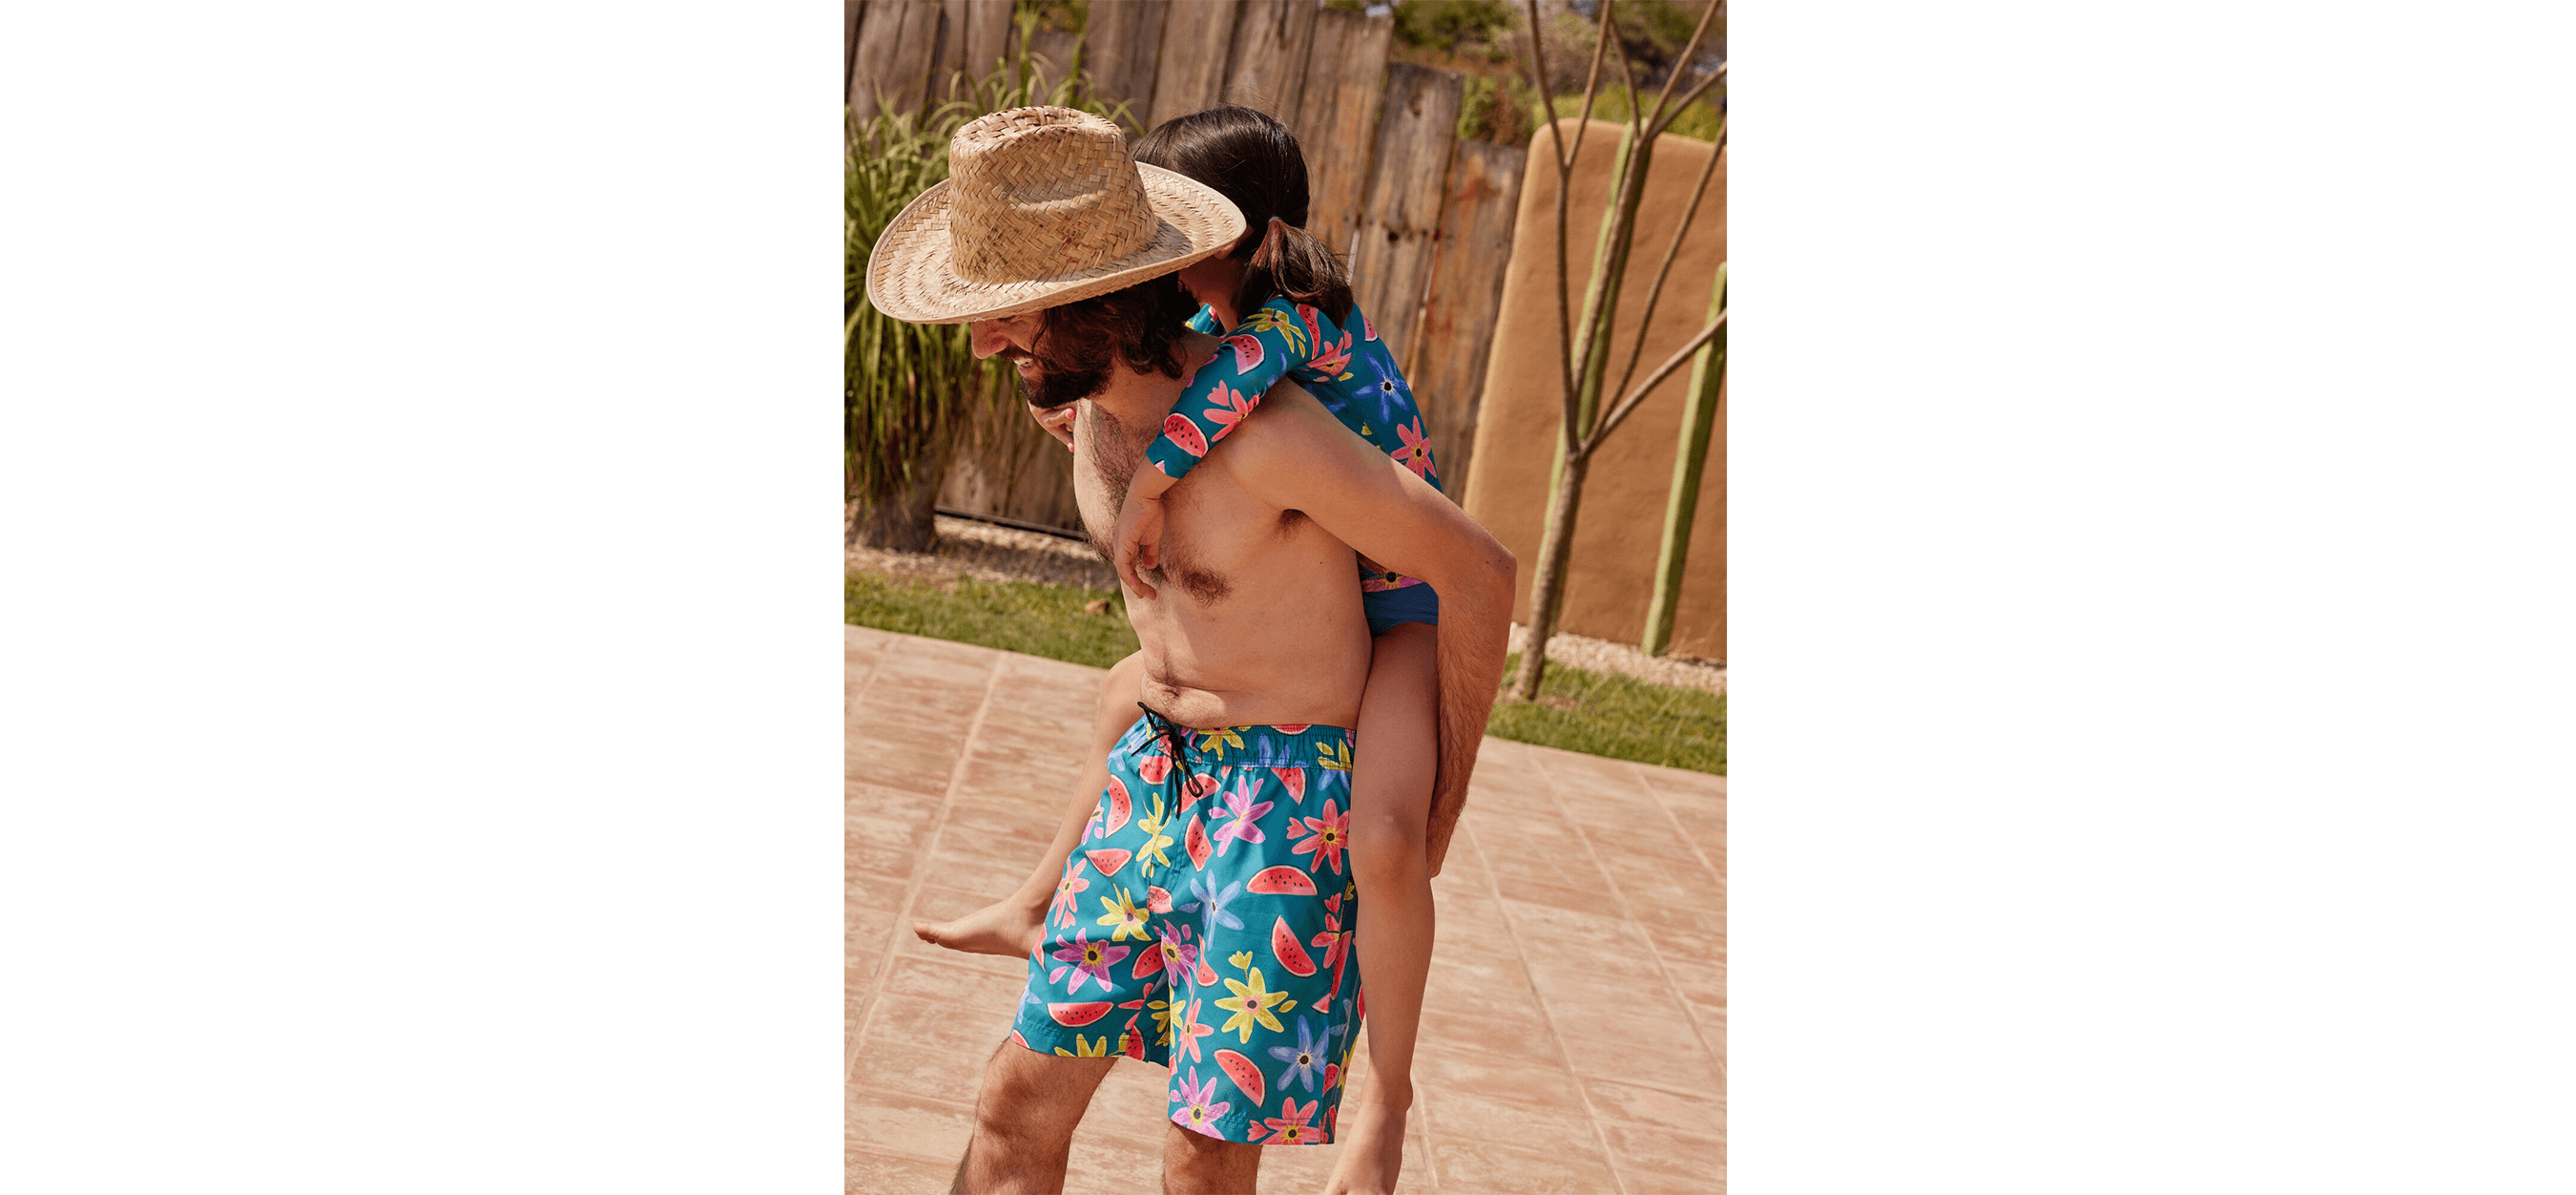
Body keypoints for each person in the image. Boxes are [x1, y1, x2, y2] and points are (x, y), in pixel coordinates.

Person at [867, 106, 1513, 1194]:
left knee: (1199, 1161)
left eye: (1005, 313)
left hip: (1286, 804)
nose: (982, 342)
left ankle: (1386, 1105)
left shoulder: (1276, 436)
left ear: (1095, 302)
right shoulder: (1084, 415)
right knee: (1012, 1103)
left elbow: (1480, 574)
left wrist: (1432, 804)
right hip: (1151, 785)